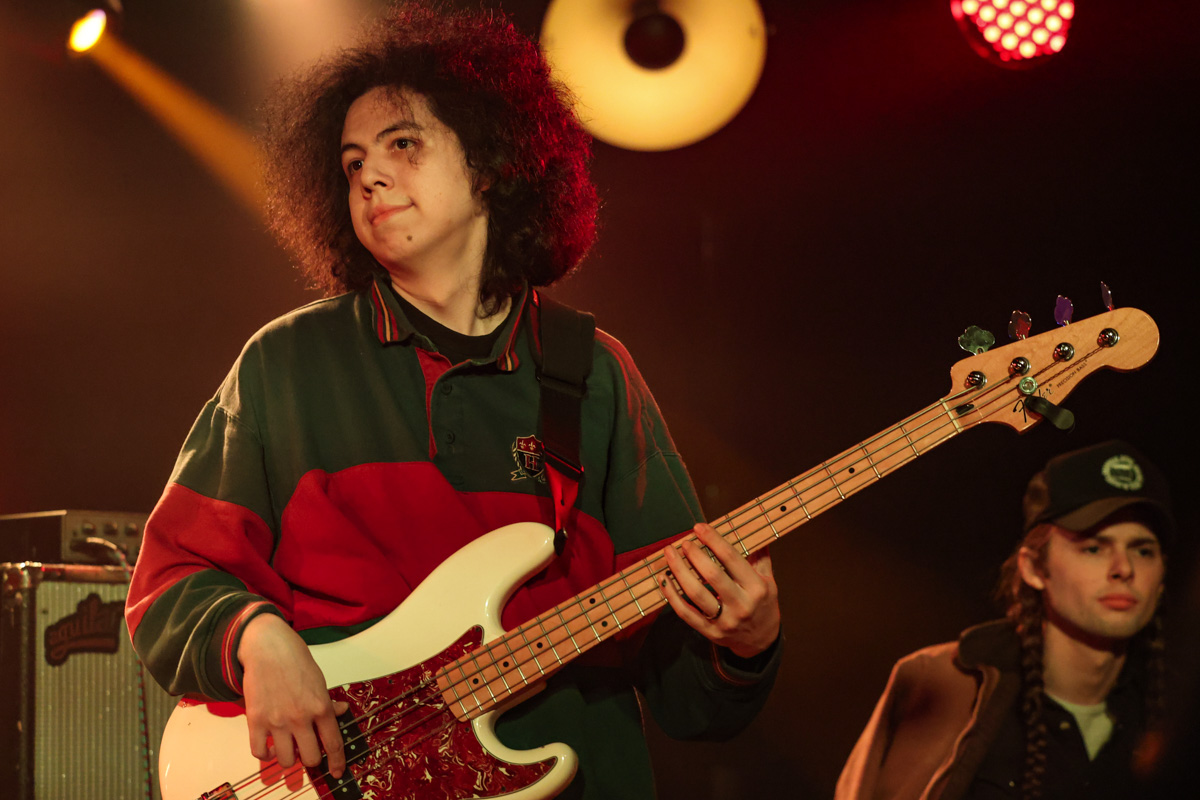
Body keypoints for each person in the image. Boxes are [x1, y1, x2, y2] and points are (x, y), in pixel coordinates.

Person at [123, 3, 782, 799]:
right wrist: (256, 639)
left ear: (491, 162)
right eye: (352, 163)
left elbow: (686, 698)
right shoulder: (286, 363)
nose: (370, 175)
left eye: (403, 144)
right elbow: (171, 580)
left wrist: (743, 642)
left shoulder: (595, 374)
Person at [836, 439, 1174, 800]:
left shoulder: (1172, 716)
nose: (1124, 569)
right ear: (1033, 568)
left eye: (1143, 550)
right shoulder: (943, 683)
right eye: (1093, 548)